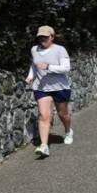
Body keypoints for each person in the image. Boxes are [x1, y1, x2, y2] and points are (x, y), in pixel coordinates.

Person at [24, 25, 73, 157]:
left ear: (52, 37)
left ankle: (68, 131)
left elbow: (66, 68)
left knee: (63, 115)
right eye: (40, 37)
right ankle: (44, 145)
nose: (42, 39)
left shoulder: (60, 50)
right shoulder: (34, 49)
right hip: (41, 88)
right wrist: (30, 77)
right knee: (43, 115)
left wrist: (48, 67)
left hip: (60, 88)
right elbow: (34, 65)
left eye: (45, 37)